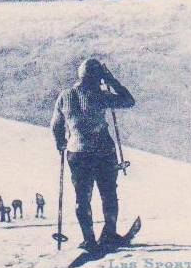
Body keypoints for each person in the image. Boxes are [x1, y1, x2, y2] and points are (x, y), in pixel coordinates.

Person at [51, 59, 135, 252]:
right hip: (103, 152)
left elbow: (56, 125)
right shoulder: (100, 95)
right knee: (108, 194)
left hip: (77, 153)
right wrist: (111, 79)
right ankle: (109, 234)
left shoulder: (64, 96)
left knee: (82, 197)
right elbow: (129, 101)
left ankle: (89, 239)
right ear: (97, 77)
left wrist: (60, 142)